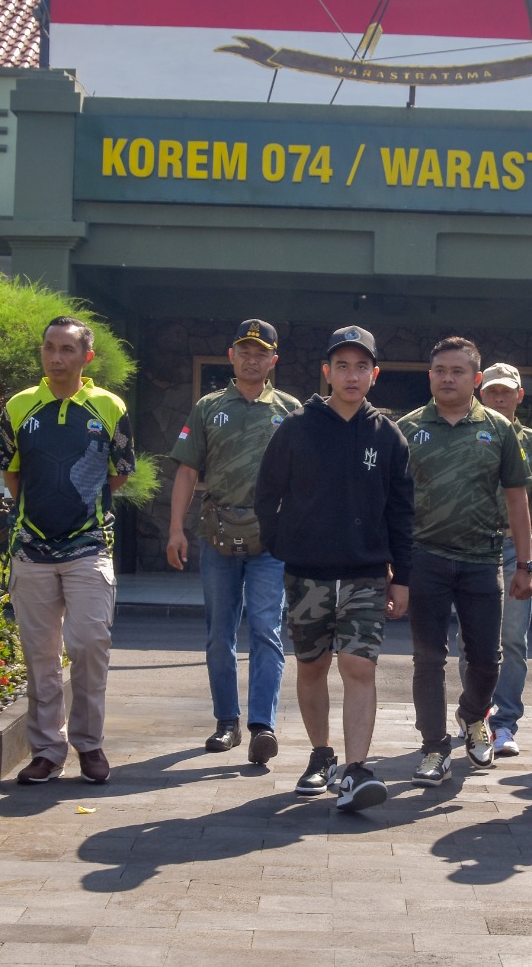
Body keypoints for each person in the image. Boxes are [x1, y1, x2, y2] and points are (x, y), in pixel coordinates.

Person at [254, 326, 414, 812]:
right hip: (308, 573)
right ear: (326, 372)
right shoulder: (297, 427)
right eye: (341, 366)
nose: (351, 375)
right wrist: (286, 544)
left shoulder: (388, 436)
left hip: (366, 573)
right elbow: (267, 495)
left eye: (361, 366)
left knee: (358, 665)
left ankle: (357, 769)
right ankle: (321, 756)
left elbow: (402, 512)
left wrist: (402, 577)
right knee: (313, 666)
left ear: (374, 374)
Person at [0, 316, 136, 786]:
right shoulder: (19, 407)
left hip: (89, 547)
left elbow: (119, 472)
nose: (57, 357)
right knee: (41, 655)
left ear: (86, 357)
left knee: (90, 644)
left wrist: (82, 508)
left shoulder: (108, 407)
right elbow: (12, 473)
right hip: (31, 550)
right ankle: (47, 751)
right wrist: (38, 518)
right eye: (50, 348)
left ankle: (90, 745)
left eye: (68, 350)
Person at [398, 337, 532, 787]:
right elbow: (392, 501)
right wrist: (392, 565)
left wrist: (525, 563)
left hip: (482, 559)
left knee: (486, 659)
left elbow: (518, 499)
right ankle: (434, 748)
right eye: (439, 370)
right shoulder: (408, 428)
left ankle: (475, 715)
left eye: (457, 371)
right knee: (427, 659)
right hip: (425, 558)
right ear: (430, 376)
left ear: (476, 380)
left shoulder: (499, 429)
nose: (447, 378)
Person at [166, 319, 301, 762]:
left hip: (272, 541)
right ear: (231, 355)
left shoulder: (289, 409)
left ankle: (263, 725)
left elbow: (305, 479)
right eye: (244, 350)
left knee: (267, 631)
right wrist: (175, 529)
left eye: (261, 352)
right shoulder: (208, 407)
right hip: (217, 535)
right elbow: (187, 471)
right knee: (219, 635)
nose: (251, 358)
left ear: (273, 361)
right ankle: (227, 721)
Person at [465, 362, 532, 757]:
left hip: (512, 549)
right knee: (471, 642)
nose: (499, 397)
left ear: (520, 395)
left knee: (513, 640)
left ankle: (504, 723)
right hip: (471, 546)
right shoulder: (467, 434)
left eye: (507, 391)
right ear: (481, 393)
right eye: (492, 391)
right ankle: (474, 719)